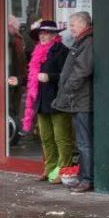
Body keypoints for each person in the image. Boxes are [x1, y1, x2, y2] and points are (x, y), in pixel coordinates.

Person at [21, 20, 72, 183]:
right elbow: (33, 77)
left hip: (58, 101)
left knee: (61, 138)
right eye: (40, 34)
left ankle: (63, 171)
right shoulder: (37, 51)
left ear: (54, 35)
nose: (42, 36)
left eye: (46, 33)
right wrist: (19, 80)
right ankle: (49, 169)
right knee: (46, 138)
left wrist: (50, 77)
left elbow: (67, 76)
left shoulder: (62, 51)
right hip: (41, 102)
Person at [52, 12, 94, 193]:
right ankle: (85, 177)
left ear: (83, 24)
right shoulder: (81, 41)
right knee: (83, 141)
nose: (71, 28)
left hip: (82, 100)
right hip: (79, 99)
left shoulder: (87, 42)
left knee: (84, 142)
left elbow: (82, 70)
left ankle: (87, 179)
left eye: (73, 25)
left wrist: (68, 87)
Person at [6, 15, 28, 126]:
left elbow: (20, 59)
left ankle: (14, 125)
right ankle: (13, 125)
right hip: (13, 74)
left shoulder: (16, 38)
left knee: (16, 103)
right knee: (12, 102)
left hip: (18, 75)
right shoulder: (9, 38)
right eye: (15, 28)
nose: (17, 30)